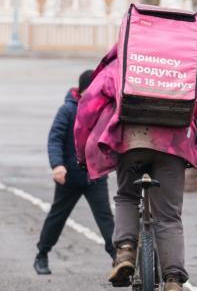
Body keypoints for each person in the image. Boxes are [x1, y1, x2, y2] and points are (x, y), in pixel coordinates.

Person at [74, 48, 197, 291]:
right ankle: (173, 279)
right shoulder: (185, 67)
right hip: (174, 147)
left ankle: (125, 253)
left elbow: (87, 108)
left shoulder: (122, 66)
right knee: (169, 215)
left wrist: (82, 153)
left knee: (127, 196)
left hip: (131, 143)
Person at [34, 70, 115, 275]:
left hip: (95, 176)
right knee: (57, 217)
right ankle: (42, 254)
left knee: (106, 218)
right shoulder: (67, 110)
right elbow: (55, 139)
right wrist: (57, 165)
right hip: (69, 177)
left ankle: (118, 259)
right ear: (84, 89)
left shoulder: (103, 109)